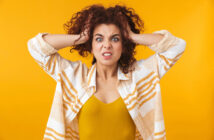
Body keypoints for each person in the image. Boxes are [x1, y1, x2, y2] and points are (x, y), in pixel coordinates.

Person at [27, 4, 186, 140]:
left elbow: (176, 47)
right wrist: (81, 37)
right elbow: (36, 47)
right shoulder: (75, 76)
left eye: (115, 39)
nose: (107, 45)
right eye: (99, 39)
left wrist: (131, 35)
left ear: (124, 45)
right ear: (91, 45)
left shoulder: (137, 76)